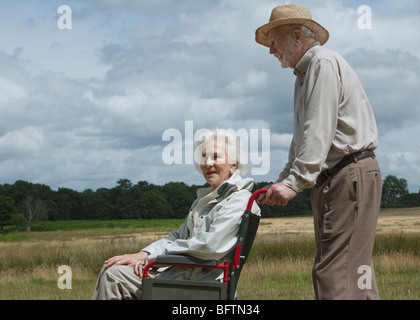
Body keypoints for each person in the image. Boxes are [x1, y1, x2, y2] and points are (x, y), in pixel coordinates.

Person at [255, 4, 382, 299]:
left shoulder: (322, 64)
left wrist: (294, 183)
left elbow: (319, 129)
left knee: (333, 270)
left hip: (346, 174)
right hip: (340, 175)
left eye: (274, 41)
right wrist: (284, 179)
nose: (271, 50)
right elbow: (302, 136)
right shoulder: (305, 74)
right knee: (355, 269)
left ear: (298, 36)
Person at [91, 131, 260, 299]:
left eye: (216, 157)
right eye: (203, 157)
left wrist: (153, 258)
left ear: (234, 164)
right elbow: (179, 236)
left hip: (202, 283)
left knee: (113, 275)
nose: (208, 163)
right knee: (111, 269)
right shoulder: (205, 199)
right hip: (183, 275)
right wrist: (144, 254)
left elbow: (209, 246)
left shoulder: (239, 200)